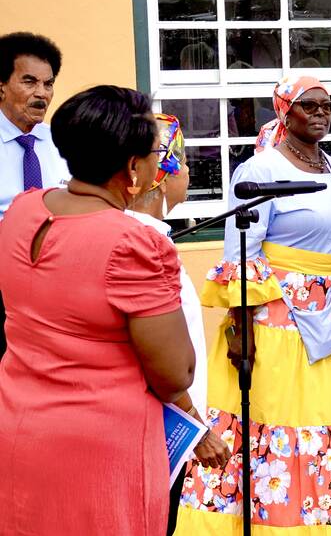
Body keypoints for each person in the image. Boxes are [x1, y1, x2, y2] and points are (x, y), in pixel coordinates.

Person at [174, 75, 331, 535]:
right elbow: (242, 253)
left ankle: (329, 519)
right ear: (284, 112)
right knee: (284, 424)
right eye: (309, 106)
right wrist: (242, 330)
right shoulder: (260, 171)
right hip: (279, 325)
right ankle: (279, 522)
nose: (321, 114)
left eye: (327, 107)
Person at [0, 85, 196, 535]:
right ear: (132, 167)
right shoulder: (133, 243)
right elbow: (174, 374)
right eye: (153, 152)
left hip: (18, 427)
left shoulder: (24, 209)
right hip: (98, 452)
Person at [126, 113, 231, 536]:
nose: (189, 173)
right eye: (184, 165)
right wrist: (198, 428)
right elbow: (159, 356)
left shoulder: (150, 236)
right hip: (160, 430)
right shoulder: (146, 245)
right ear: (162, 177)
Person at [0, 32, 69, 359]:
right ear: (1, 85)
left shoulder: (60, 143)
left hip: (56, 287)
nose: (42, 94)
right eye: (29, 82)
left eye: (48, 84)